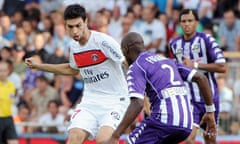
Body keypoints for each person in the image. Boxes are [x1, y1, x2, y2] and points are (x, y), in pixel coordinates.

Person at [25, 4, 129, 144]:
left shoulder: (103, 42)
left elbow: (128, 63)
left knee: (104, 140)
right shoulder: (74, 46)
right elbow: (73, 69)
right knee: (74, 138)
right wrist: (39, 66)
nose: (75, 31)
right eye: (70, 26)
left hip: (115, 101)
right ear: (65, 26)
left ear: (86, 22)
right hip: (90, 101)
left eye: (78, 25)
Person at [106, 32, 216, 144]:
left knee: (129, 142)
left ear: (126, 49)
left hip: (164, 120)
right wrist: (210, 111)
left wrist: (116, 135)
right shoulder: (167, 60)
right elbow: (201, 78)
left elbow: (138, 103)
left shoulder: (137, 66)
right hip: (186, 124)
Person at [169, 9, 227, 144]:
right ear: (179, 24)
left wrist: (195, 65)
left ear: (196, 23)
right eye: (183, 21)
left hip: (210, 100)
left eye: (190, 21)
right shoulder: (174, 44)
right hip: (189, 101)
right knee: (189, 139)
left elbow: (222, 67)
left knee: (210, 139)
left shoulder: (207, 40)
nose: (187, 24)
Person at [0, 60, 18, 144]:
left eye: (4, 70)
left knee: (14, 141)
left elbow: (12, 100)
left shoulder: (12, 85)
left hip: (8, 118)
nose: (2, 73)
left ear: (8, 71)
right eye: (0, 70)